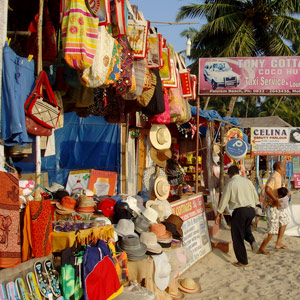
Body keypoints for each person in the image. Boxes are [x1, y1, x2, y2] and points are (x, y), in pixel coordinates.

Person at [215, 165, 259, 267]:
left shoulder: (230, 184)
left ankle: (243, 261)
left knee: (237, 236)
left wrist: (218, 214)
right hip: (251, 210)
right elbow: (255, 197)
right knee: (246, 228)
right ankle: (252, 241)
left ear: (229, 175)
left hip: (240, 211)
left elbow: (224, 200)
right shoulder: (247, 182)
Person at [258, 161, 289, 255]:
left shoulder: (279, 176)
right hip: (272, 205)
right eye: (284, 167)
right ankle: (262, 247)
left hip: (278, 205)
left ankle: (278, 242)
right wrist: (275, 200)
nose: (285, 169)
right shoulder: (275, 176)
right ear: (279, 168)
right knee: (273, 228)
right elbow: (267, 189)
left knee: (285, 220)